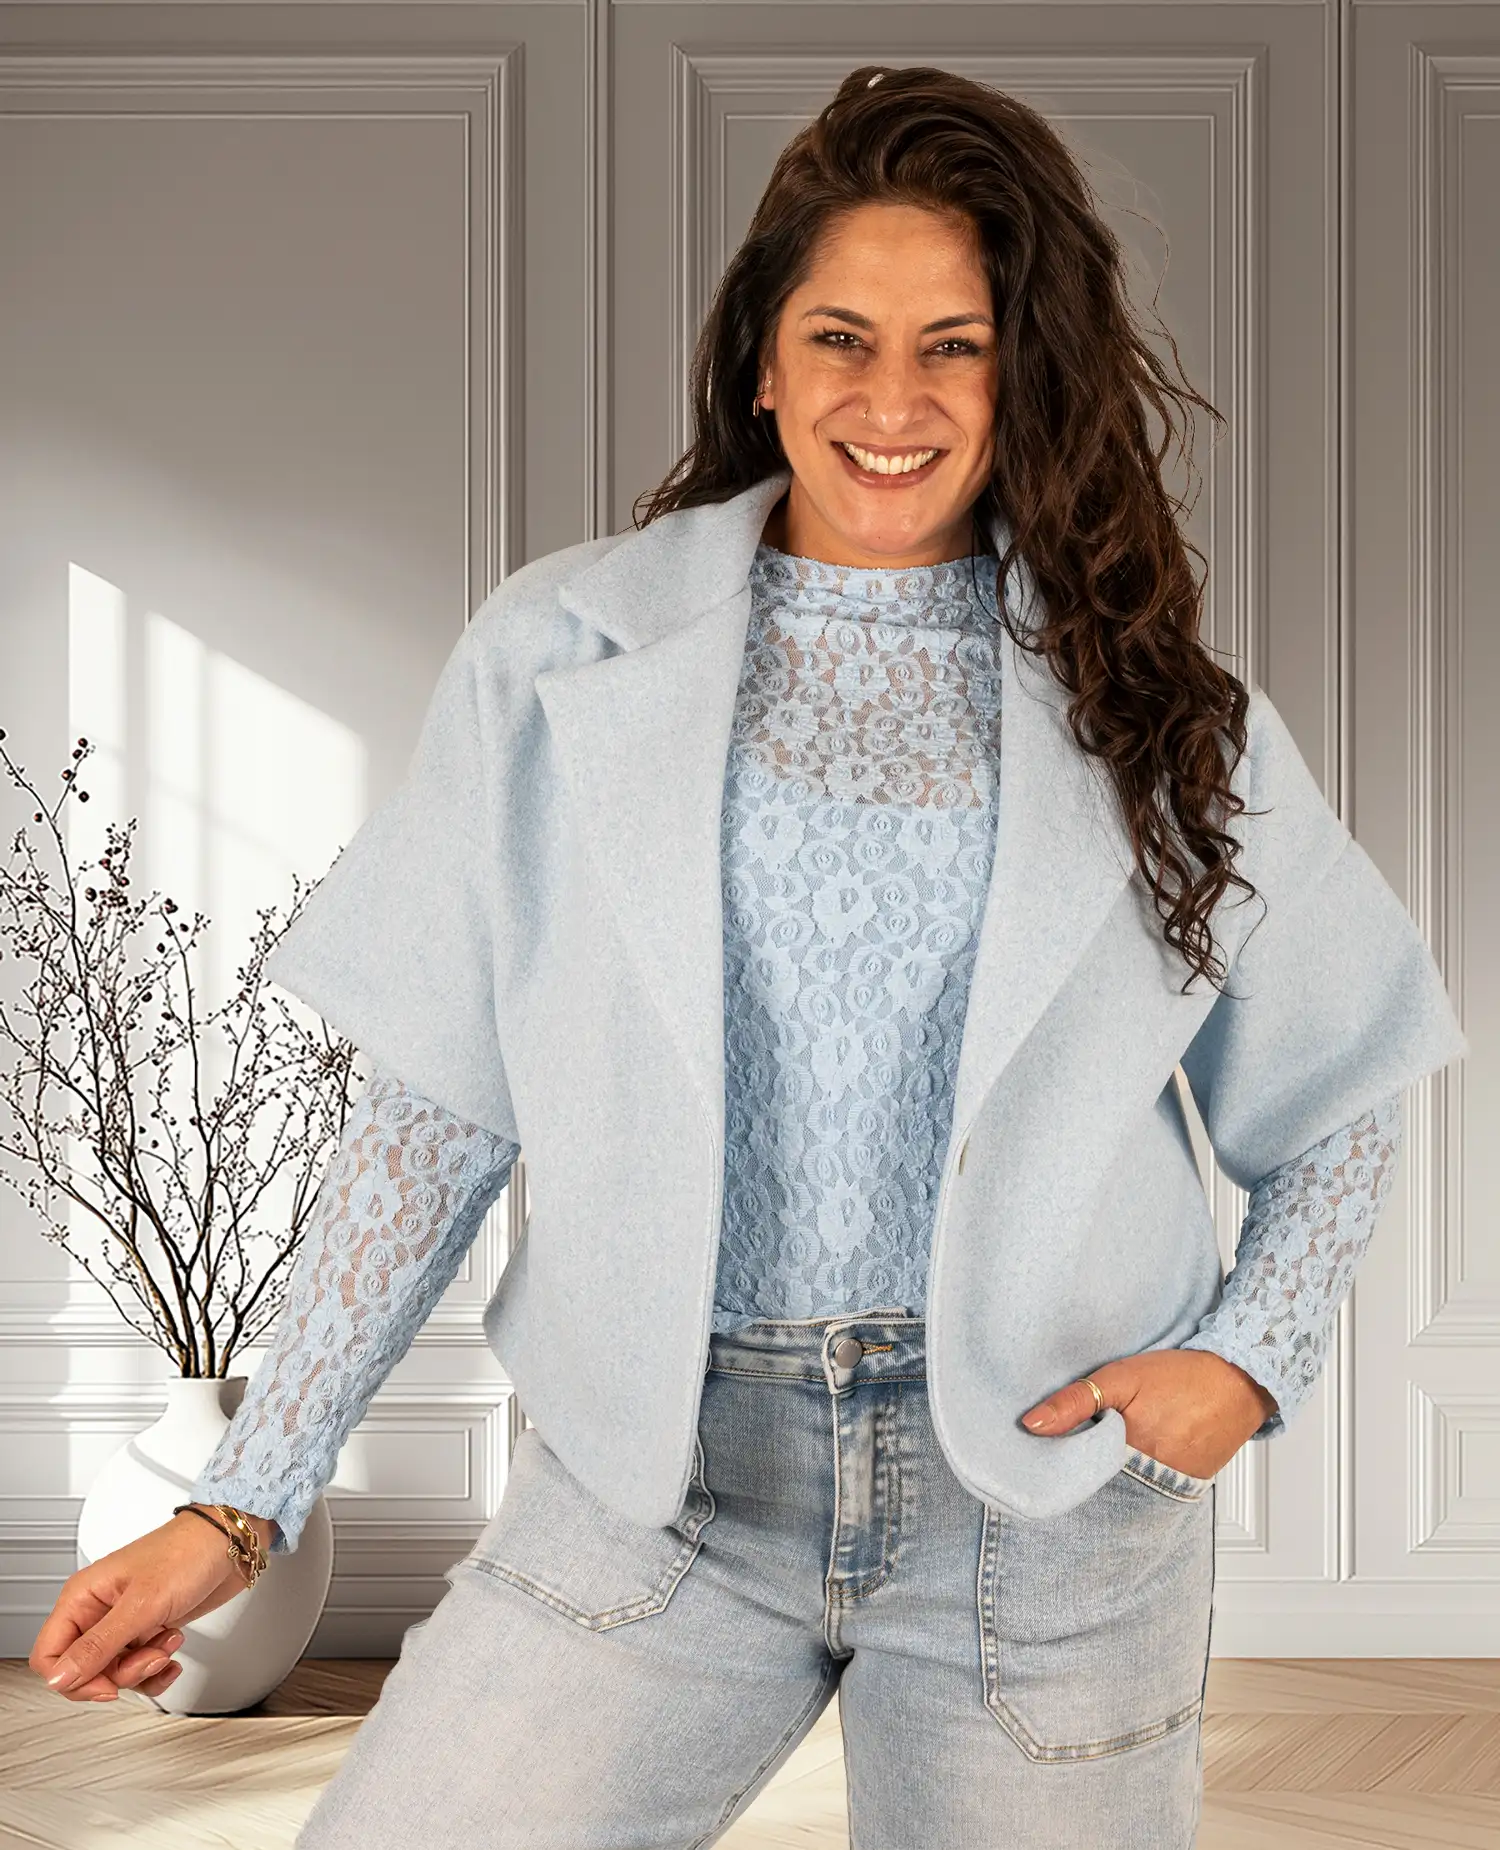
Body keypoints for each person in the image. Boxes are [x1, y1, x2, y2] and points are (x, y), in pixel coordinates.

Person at [31, 64, 1463, 1849]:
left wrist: (1246, 1361)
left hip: (1044, 1507)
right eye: (841, 337)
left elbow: (1345, 1081)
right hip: (659, 1479)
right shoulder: (556, 655)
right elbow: (431, 1122)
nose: (893, 398)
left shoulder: (1162, 711)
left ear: (1023, 374)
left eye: (955, 346)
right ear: (764, 363)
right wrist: (237, 1505)